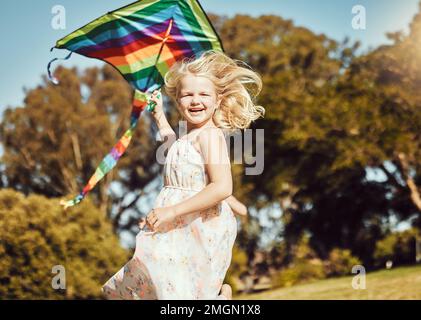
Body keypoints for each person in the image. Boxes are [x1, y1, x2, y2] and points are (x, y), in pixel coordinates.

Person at [101, 50, 264, 300]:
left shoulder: (210, 136)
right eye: (187, 94)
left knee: (179, 293)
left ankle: (219, 299)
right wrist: (158, 116)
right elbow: (175, 149)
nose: (195, 100)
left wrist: (171, 212)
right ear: (178, 101)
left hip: (198, 225)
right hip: (175, 222)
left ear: (218, 100)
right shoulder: (188, 136)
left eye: (203, 94)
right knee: (157, 285)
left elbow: (221, 187)